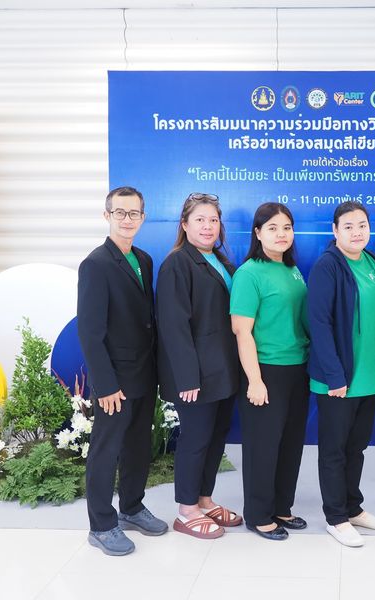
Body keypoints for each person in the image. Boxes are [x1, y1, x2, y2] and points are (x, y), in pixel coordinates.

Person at [77, 186, 168, 556]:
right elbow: (90, 332)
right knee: (106, 449)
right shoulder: (96, 264)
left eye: (134, 213)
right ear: (107, 216)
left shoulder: (143, 259)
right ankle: (101, 525)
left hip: (143, 372)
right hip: (115, 379)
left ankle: (131, 507)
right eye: (120, 213)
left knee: (137, 445)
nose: (127, 219)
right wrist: (105, 385)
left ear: (143, 218)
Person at [307, 201, 375, 548]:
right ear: (335, 230)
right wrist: (334, 375)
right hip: (338, 379)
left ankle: (352, 507)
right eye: (348, 226)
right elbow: (319, 323)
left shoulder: (374, 262)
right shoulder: (327, 266)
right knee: (334, 449)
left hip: (369, 376)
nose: (357, 232)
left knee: (356, 447)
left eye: (362, 225)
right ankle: (336, 517)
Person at [156, 192, 243, 540]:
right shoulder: (177, 264)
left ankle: (204, 500)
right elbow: (173, 325)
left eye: (213, 220)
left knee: (216, 437)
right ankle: (186, 510)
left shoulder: (221, 261)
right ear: (184, 224)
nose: (208, 226)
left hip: (224, 369)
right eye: (200, 220)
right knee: (195, 439)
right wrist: (186, 376)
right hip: (196, 374)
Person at [230, 202, 310, 541]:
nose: (281, 234)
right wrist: (255, 380)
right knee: (263, 446)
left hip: (297, 368)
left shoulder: (292, 270)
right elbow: (241, 331)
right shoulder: (249, 273)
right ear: (258, 233)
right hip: (265, 370)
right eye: (273, 228)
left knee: (290, 443)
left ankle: (281, 507)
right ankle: (259, 515)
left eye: (287, 228)